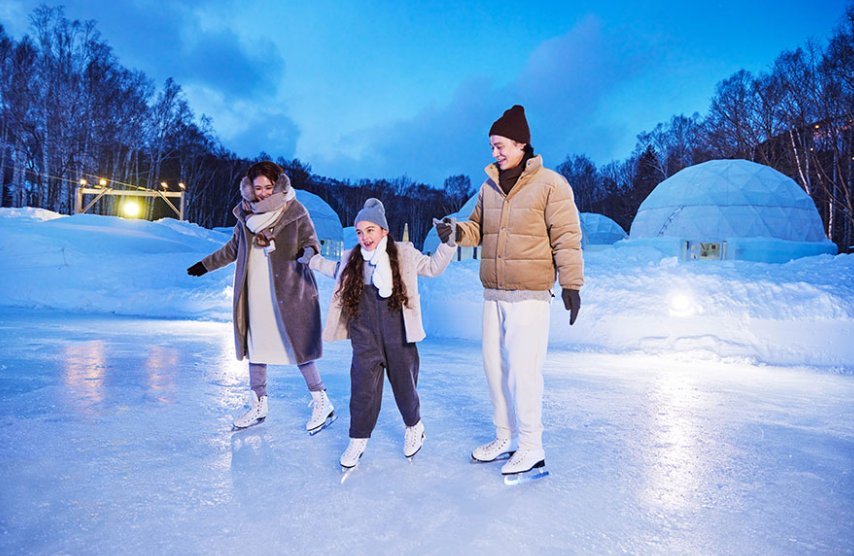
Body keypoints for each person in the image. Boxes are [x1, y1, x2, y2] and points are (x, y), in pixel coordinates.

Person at [436, 104, 584, 477]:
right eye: (491, 146)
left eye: (500, 145)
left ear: (521, 143)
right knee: (494, 368)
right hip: (494, 293)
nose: (495, 152)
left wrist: (571, 284)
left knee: (524, 370)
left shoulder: (551, 184)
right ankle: (506, 436)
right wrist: (455, 232)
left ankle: (532, 446)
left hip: (530, 294)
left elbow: (566, 237)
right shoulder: (488, 187)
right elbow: (476, 229)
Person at [186, 161, 335, 433]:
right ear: (250, 188)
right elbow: (231, 250)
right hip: (255, 292)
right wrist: (204, 265)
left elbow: (312, 243)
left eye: (269, 187)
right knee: (256, 347)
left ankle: (322, 401)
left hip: (289, 292)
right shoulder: (244, 217)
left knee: (297, 345)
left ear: (278, 185)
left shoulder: (295, 211)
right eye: (258, 188)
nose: (264, 193)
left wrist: (308, 255)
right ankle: (258, 406)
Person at [309, 198, 455, 469]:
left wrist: (448, 244)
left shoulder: (403, 253)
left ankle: (414, 426)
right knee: (362, 389)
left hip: (397, 333)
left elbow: (433, 268)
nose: (364, 237)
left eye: (370, 230)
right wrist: (313, 260)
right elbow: (334, 270)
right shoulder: (352, 258)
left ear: (384, 231)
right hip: (363, 333)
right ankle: (357, 438)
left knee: (404, 386)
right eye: (360, 232)